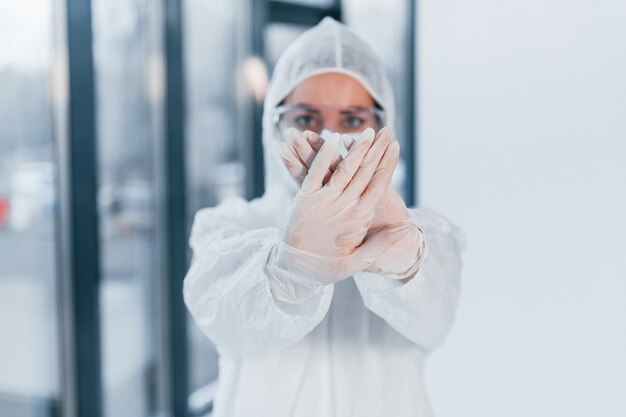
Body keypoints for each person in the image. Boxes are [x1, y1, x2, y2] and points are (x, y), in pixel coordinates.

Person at [183, 16, 465, 417]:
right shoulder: (227, 228)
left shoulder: (426, 231)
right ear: (273, 125)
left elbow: (436, 319)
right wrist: (287, 269)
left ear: (384, 128)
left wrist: (405, 261)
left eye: (352, 121)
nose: (330, 138)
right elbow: (223, 321)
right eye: (305, 119)